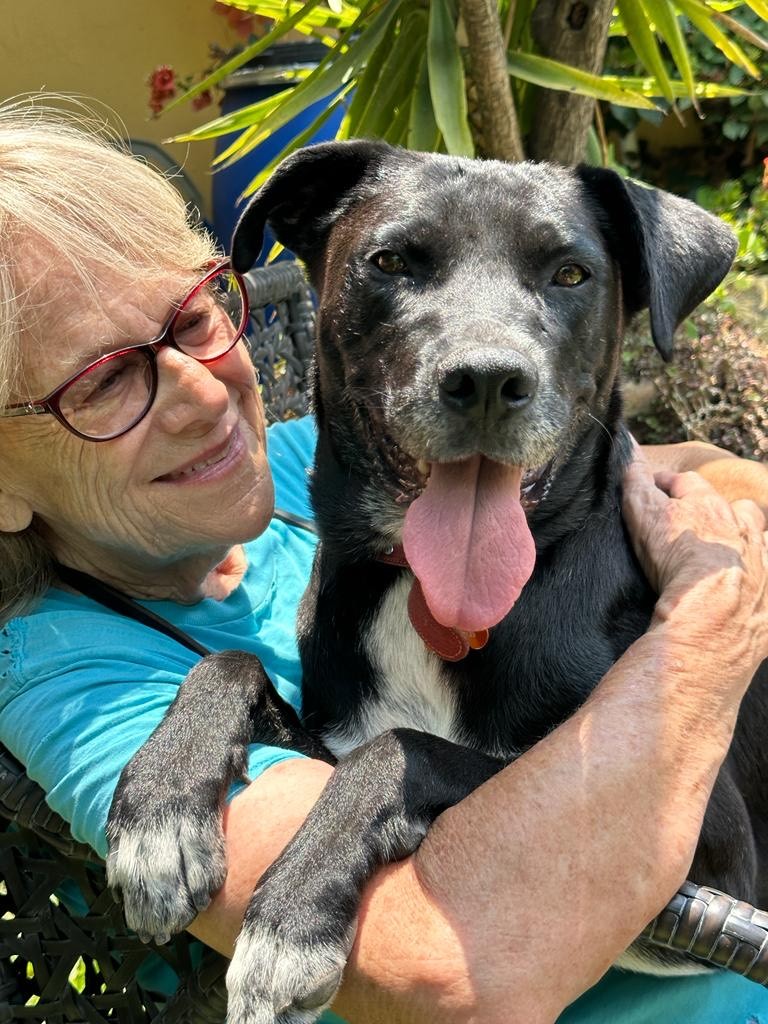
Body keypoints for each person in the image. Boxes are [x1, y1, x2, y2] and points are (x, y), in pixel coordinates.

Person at [0, 97, 766, 1024]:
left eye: (195, 318)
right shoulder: (68, 670)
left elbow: (700, 470)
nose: (201, 396)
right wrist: (709, 636)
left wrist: (726, 526)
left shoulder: (279, 469)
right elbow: (438, 969)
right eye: (108, 377)